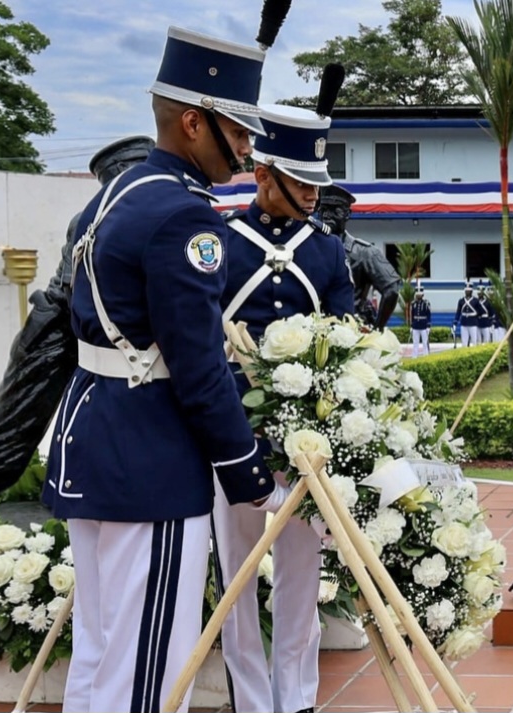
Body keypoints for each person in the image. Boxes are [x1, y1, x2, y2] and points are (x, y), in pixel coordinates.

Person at [42, 24, 290, 713]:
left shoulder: (118, 192)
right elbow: (198, 366)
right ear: (192, 123)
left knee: (100, 657)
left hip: (95, 442)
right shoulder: (185, 218)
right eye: (237, 132)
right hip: (149, 464)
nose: (247, 150)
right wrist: (250, 476)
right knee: (146, 677)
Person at [0, 136, 154, 522]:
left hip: (82, 348)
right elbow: (84, 301)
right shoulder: (95, 220)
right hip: (51, 342)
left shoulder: (137, 219)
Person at [212, 95, 355, 713]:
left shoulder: (326, 250)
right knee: (237, 579)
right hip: (234, 435)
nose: (314, 194)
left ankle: (295, 700)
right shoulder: (222, 241)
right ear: (264, 174)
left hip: (304, 444)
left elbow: (347, 338)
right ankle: (251, 702)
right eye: (302, 181)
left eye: (317, 181)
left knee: (302, 576)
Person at [318, 184, 401, 329]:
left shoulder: (365, 252)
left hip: (351, 331)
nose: (327, 216)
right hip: (315, 329)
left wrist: (377, 329)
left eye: (335, 211)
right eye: (323, 210)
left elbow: (391, 289)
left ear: (347, 214)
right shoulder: (309, 248)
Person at [453, 282, 485, 347]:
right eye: (466, 290)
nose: (467, 292)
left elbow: (481, 311)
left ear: (471, 291)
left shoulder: (476, 300)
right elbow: (458, 312)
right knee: (464, 342)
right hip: (464, 322)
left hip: (473, 323)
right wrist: (455, 321)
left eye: (469, 291)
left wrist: (476, 316)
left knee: (474, 341)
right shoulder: (461, 301)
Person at [410, 283, 432, 356]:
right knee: (415, 343)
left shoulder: (426, 303)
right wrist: (411, 325)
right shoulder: (413, 303)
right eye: (417, 295)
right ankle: (414, 357)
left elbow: (428, 315)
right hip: (415, 325)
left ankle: (425, 356)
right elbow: (412, 315)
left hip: (424, 326)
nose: (418, 296)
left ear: (422, 295)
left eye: (420, 295)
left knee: (425, 343)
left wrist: (428, 326)